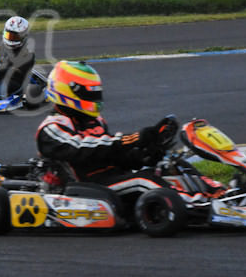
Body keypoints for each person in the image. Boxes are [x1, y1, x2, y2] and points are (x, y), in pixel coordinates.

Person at [35, 60, 170, 188]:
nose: (93, 95)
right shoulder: (52, 128)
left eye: (95, 90)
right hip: (87, 188)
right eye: (89, 91)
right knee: (145, 181)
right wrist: (133, 139)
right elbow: (84, 149)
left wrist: (143, 157)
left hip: (110, 182)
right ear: (66, 90)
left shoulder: (94, 121)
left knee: (165, 172)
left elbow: (109, 155)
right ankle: (186, 206)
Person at [0, 15, 35, 97]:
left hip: (14, 82)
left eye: (14, 37)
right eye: (8, 35)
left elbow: (14, 70)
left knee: (1, 86)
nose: (10, 39)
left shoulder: (28, 55)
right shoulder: (1, 49)